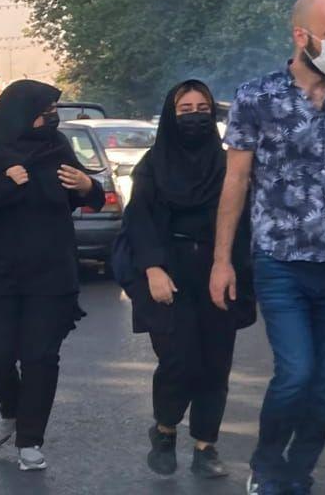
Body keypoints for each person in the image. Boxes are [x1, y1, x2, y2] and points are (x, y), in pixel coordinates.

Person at [210, 0, 325, 495]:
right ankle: (266, 466)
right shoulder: (256, 97)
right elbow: (236, 181)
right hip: (281, 261)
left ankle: (299, 471)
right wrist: (223, 260)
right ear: (300, 36)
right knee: (296, 374)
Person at [0, 79, 105, 472]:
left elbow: (92, 194)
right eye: (44, 113)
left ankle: (30, 441)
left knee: (40, 357)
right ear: (20, 114)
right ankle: (11, 408)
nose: (51, 119)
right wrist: (5, 184)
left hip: (50, 270)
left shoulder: (56, 148)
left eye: (54, 113)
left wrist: (89, 185)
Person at [123, 80, 257, 479]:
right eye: (185, 109)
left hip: (220, 267)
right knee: (180, 360)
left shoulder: (228, 164)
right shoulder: (153, 164)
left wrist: (233, 264)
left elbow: (244, 216)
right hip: (170, 269)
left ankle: (205, 445)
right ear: (171, 113)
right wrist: (153, 268)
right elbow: (139, 220)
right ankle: (165, 431)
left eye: (203, 108)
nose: (195, 116)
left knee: (215, 362)